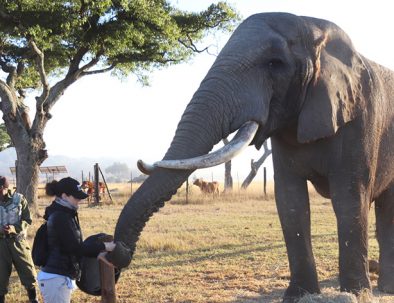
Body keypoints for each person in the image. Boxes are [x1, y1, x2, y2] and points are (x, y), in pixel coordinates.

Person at [37, 177, 115, 303]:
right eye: (76, 197)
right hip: (55, 278)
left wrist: (98, 253)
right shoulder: (60, 217)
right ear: (64, 196)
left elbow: (73, 247)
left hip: (58, 277)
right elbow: (76, 248)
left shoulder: (64, 214)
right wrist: (105, 247)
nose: (79, 200)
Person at [0, 176, 38, 303]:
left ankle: (33, 299)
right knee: (0, 277)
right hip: (0, 244)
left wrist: (14, 228)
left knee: (28, 272)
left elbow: (27, 219)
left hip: (18, 242)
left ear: (5, 188)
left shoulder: (19, 199)